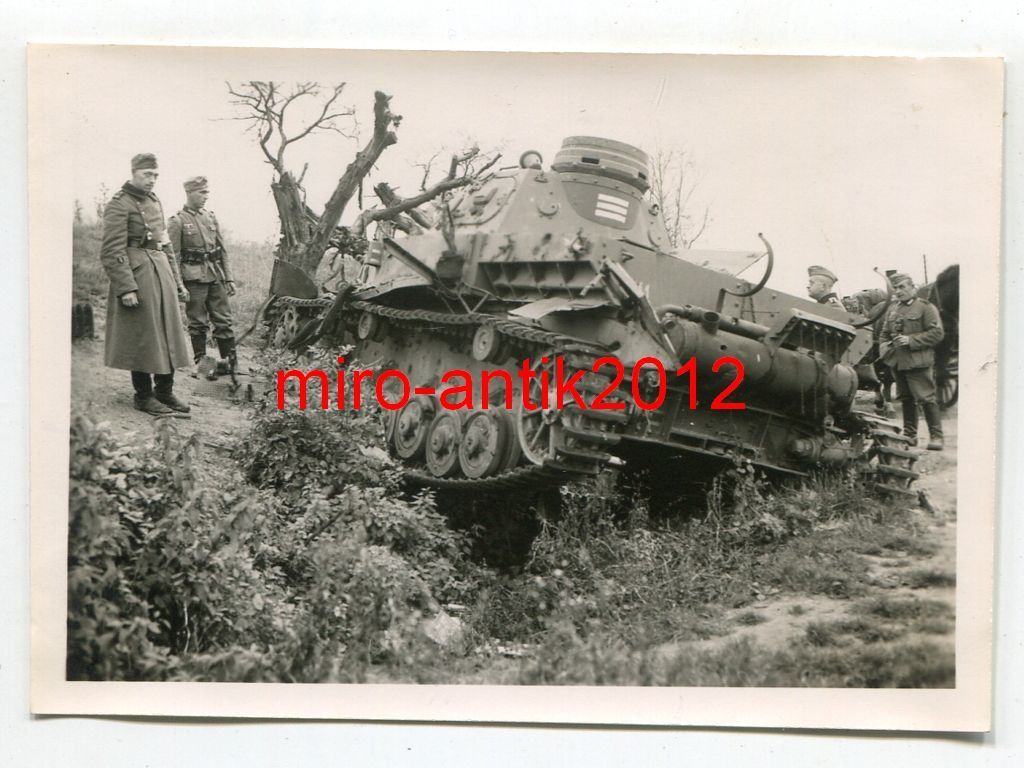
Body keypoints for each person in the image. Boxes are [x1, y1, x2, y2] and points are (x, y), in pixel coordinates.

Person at [99, 153, 192, 416]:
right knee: (141, 335)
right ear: (134, 173)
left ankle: (164, 391)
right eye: (146, 175)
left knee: (168, 330)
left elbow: (165, 244)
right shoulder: (119, 204)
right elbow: (111, 250)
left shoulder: (154, 200)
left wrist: (177, 282)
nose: (152, 180)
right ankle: (143, 395)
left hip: (160, 270)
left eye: (155, 175)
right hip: (137, 274)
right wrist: (126, 287)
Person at [167, 176, 237, 376]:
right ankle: (202, 366)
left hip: (215, 275)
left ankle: (231, 366)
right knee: (198, 323)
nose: (206, 196)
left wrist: (229, 278)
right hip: (193, 278)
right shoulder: (178, 221)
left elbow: (222, 250)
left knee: (224, 320)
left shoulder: (210, 217)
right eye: (202, 192)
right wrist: (179, 285)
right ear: (189, 193)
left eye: (207, 192)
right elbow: (173, 256)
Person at [879, 272, 945, 450]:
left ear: (913, 288)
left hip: (918, 361)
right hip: (898, 362)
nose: (898, 291)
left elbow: (937, 333)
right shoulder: (893, 309)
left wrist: (911, 340)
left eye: (902, 287)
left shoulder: (925, 307)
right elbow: (884, 333)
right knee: (906, 398)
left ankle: (936, 437)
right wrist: (885, 350)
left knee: (926, 398)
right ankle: (910, 436)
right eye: (895, 288)